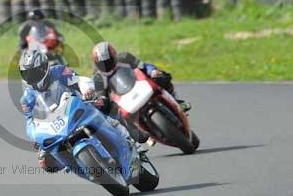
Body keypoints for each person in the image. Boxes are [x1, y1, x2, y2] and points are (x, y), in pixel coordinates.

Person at [19, 49, 148, 173]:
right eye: (27, 74)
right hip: (56, 125)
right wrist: (34, 136)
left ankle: (131, 137)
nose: (31, 78)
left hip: (79, 108)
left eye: (34, 73)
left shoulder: (59, 71)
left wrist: (87, 91)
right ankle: (75, 164)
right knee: (44, 162)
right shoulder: (27, 98)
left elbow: (79, 80)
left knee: (104, 104)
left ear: (43, 67)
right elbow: (30, 121)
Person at [90, 42, 190, 143]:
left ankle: (176, 101)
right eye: (101, 63)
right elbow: (101, 95)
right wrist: (101, 101)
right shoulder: (98, 78)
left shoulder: (125, 58)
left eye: (108, 61)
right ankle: (136, 131)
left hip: (139, 85)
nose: (106, 65)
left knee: (161, 77)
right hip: (124, 100)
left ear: (114, 55)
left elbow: (144, 66)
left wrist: (152, 71)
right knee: (112, 112)